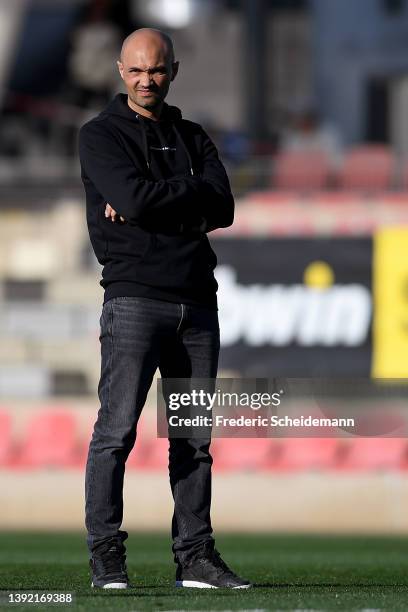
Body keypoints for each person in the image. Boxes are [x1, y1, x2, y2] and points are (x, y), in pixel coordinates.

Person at [78, 28, 251, 590]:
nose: (146, 80)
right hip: (133, 299)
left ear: (172, 70)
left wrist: (154, 199)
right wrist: (185, 195)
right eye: (136, 71)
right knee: (116, 433)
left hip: (197, 303)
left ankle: (195, 558)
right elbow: (136, 198)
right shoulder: (100, 136)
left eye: (156, 70)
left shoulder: (193, 134)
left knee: (194, 439)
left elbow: (222, 205)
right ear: (119, 71)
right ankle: (107, 557)